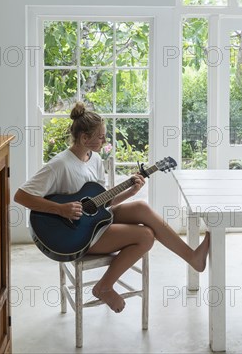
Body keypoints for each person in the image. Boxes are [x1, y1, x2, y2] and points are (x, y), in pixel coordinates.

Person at [14, 102, 210, 313]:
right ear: (84, 138)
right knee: (145, 236)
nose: (105, 140)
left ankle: (192, 258)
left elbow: (100, 202)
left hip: (93, 223)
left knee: (141, 207)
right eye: (101, 137)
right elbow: (21, 196)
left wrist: (129, 192)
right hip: (77, 236)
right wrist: (61, 210)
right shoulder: (59, 164)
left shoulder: (95, 159)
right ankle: (104, 287)